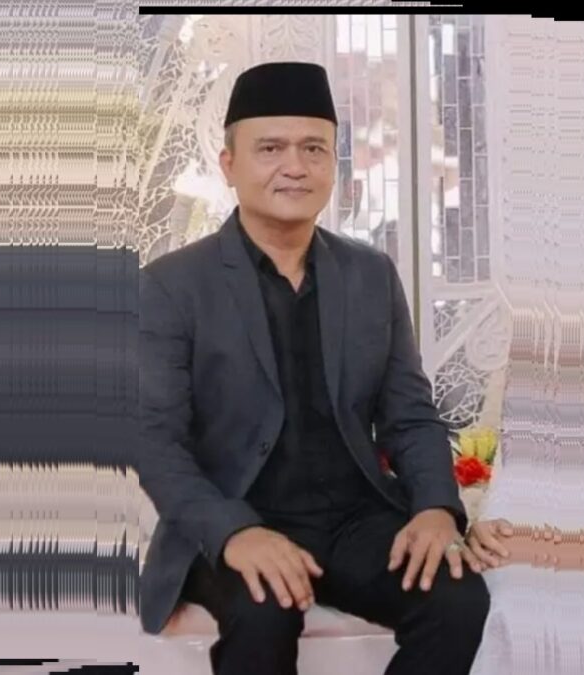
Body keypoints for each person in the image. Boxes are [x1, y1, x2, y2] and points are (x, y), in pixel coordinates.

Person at [136, 61, 490, 675]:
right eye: (270, 148)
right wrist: (235, 533)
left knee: (456, 599)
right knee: (263, 609)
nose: (294, 166)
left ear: (332, 163)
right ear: (229, 165)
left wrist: (436, 507)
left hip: (354, 520)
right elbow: (153, 441)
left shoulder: (370, 274)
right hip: (237, 515)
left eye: (313, 148)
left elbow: (409, 415)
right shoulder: (171, 286)